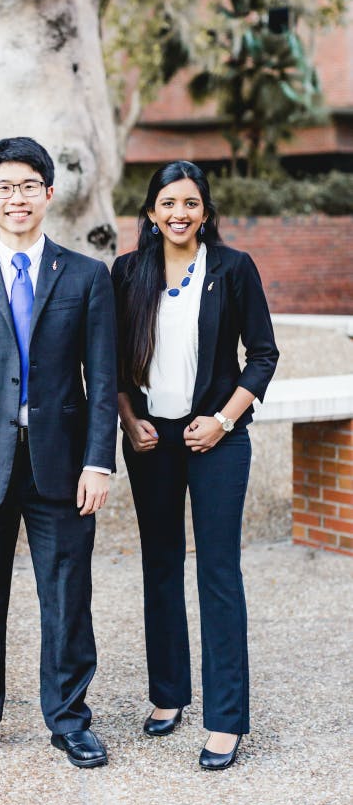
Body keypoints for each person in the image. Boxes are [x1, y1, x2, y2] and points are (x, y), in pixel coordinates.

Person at [0, 137, 118, 767]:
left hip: (62, 466)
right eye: (4, 188)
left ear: (48, 192)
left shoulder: (87, 276)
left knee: (67, 597)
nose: (17, 198)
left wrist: (99, 460)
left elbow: (102, 379)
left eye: (28, 186)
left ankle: (69, 718)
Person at [112, 161, 278, 771]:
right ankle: (167, 694)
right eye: (167, 202)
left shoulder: (233, 269)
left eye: (191, 203)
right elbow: (110, 364)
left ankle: (227, 721)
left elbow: (262, 354)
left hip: (218, 436)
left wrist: (224, 420)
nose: (179, 213)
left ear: (205, 211)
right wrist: (129, 420)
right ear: (151, 211)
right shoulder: (127, 272)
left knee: (218, 571)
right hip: (151, 438)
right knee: (160, 566)